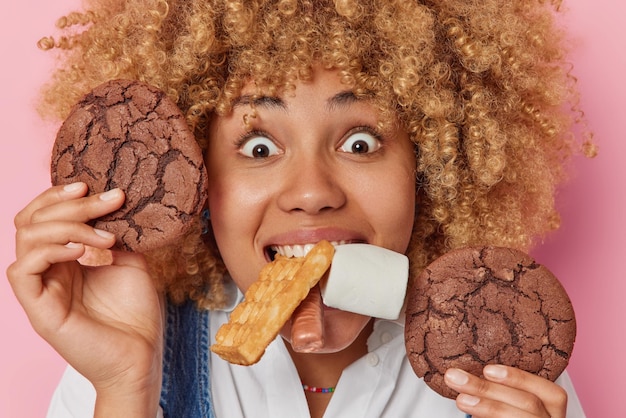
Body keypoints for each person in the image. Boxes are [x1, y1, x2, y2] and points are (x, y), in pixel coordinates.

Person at [7, 0, 594, 417]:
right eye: (259, 147)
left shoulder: (504, 364)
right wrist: (124, 388)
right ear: (197, 184)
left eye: (360, 142)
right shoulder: (123, 357)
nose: (312, 191)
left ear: (430, 166)